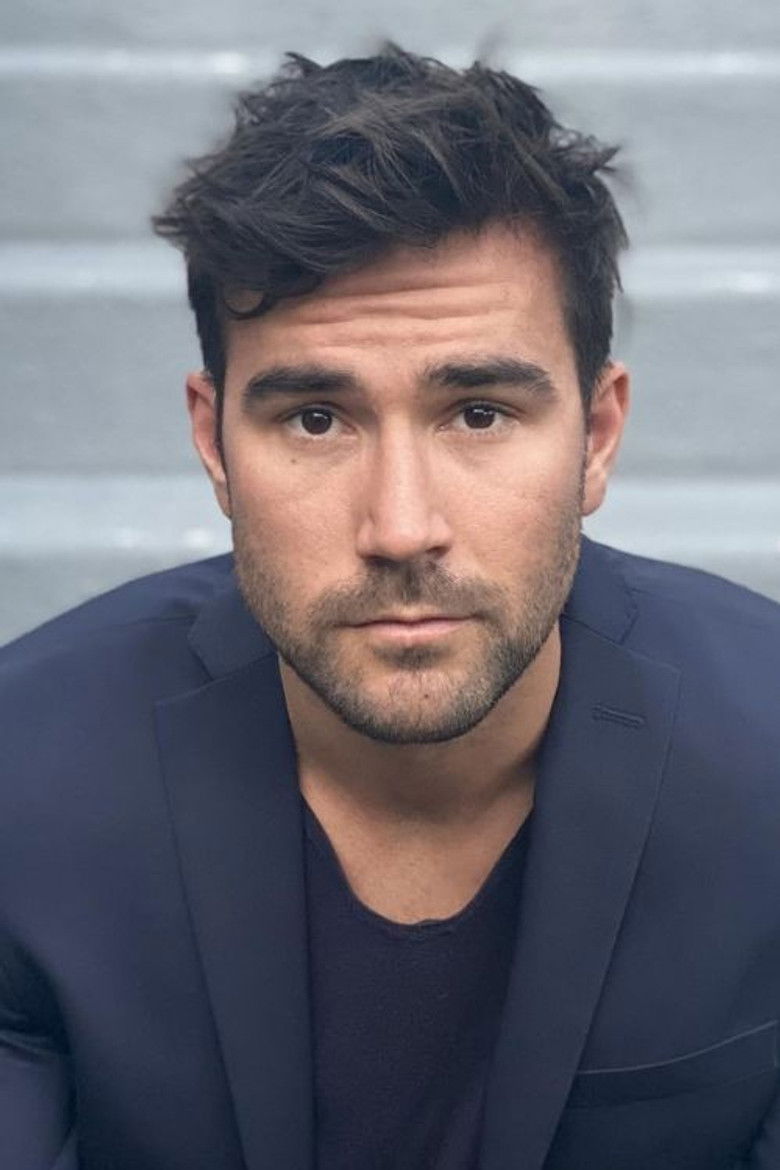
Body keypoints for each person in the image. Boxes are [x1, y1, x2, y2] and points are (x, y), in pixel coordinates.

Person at [1, 44, 778, 1170]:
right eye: (316, 419)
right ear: (214, 445)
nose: (402, 527)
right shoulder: (25, 779)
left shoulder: (764, 752)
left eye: (479, 412)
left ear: (598, 437)